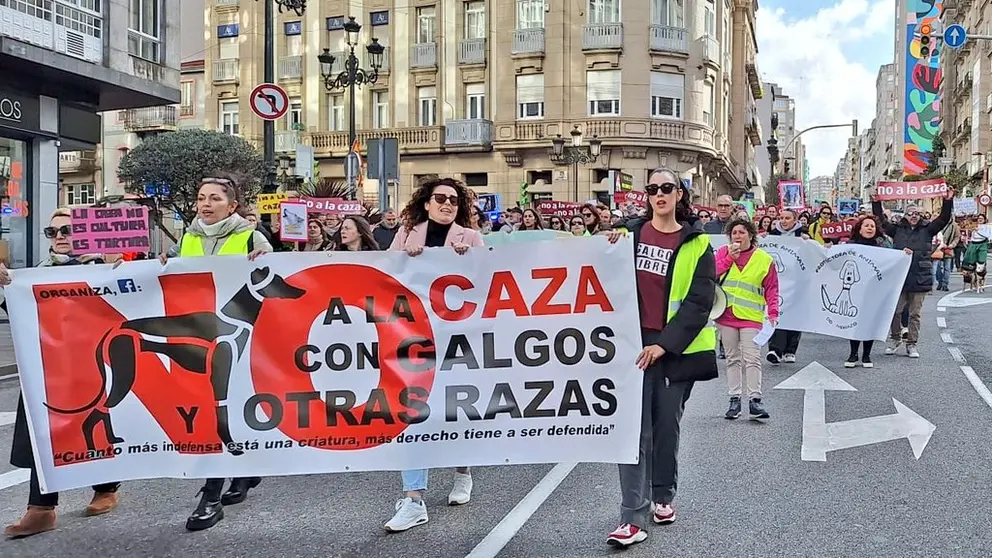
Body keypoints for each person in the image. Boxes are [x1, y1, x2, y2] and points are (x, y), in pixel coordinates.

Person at [604, 168, 717, 548]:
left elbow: (700, 302)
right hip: (630, 346)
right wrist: (603, 243)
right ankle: (632, 517)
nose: (658, 194)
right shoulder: (628, 235)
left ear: (680, 194)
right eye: (651, 189)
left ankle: (663, 493)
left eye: (666, 188)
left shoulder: (699, 244)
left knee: (665, 426)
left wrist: (664, 345)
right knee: (634, 431)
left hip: (675, 349)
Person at [0, 209, 124, 539]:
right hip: (48, 366)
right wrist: (6, 286)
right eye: (52, 232)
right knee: (43, 428)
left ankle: (106, 486)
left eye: (67, 230)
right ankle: (40, 508)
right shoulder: (35, 274)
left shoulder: (105, 268)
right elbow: (15, 310)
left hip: (94, 364)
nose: (60, 237)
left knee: (94, 426)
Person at [162, 173, 273, 531]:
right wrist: (158, 264)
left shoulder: (250, 236)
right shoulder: (187, 238)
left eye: (214, 198)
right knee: (212, 407)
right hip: (200, 338)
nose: (205, 204)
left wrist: (264, 257)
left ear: (232, 205)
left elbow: (272, 280)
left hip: (243, 340)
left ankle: (212, 495)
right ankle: (235, 476)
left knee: (227, 406)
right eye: (201, 197)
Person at [386, 176, 485, 532]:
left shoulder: (471, 238)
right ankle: (413, 499)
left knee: (457, 409)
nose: (447, 204)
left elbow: (490, 283)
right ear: (426, 203)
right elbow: (385, 278)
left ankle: (463, 471)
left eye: (454, 200)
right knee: (413, 410)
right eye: (440, 198)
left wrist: (470, 261)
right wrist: (403, 258)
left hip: (458, 339)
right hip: (413, 338)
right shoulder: (406, 235)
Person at [873, 191, 953, 358]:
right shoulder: (896, 229)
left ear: (921, 215)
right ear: (905, 216)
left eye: (917, 213)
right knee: (895, 311)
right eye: (910, 214)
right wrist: (876, 203)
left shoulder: (928, 229)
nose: (914, 216)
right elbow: (880, 221)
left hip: (920, 275)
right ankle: (895, 339)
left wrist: (947, 200)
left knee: (915, 314)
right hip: (899, 278)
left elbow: (944, 218)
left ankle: (912, 344)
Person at [715, 217, 779, 420]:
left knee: (752, 358)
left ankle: (755, 400)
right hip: (726, 315)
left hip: (751, 317)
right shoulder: (723, 253)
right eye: (734, 233)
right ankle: (734, 400)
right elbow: (711, 273)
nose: (737, 236)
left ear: (751, 235)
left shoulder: (764, 259)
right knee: (732, 358)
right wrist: (729, 259)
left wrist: (773, 313)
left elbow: (772, 288)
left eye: (741, 232)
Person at [844, 216, 891, 368]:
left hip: (874, 288)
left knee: (870, 322)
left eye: (872, 226)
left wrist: (905, 254)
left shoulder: (883, 245)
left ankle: (866, 355)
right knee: (855, 322)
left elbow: (892, 260)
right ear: (860, 228)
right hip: (855, 289)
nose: (870, 228)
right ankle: (853, 354)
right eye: (867, 225)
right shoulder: (850, 245)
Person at [766, 209, 807, 364]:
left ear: (794, 219)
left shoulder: (802, 235)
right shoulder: (772, 235)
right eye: (781, 218)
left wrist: (808, 242)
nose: (783, 221)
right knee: (776, 312)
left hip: (797, 282)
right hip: (777, 282)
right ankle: (775, 349)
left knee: (795, 314)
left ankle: (790, 349)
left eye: (787, 218)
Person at [935, 219, 960, 291]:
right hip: (938, 248)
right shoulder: (938, 223)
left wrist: (952, 244)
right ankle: (940, 282)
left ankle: (945, 284)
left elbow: (957, 236)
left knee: (947, 268)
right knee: (937, 268)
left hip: (948, 248)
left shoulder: (954, 225)